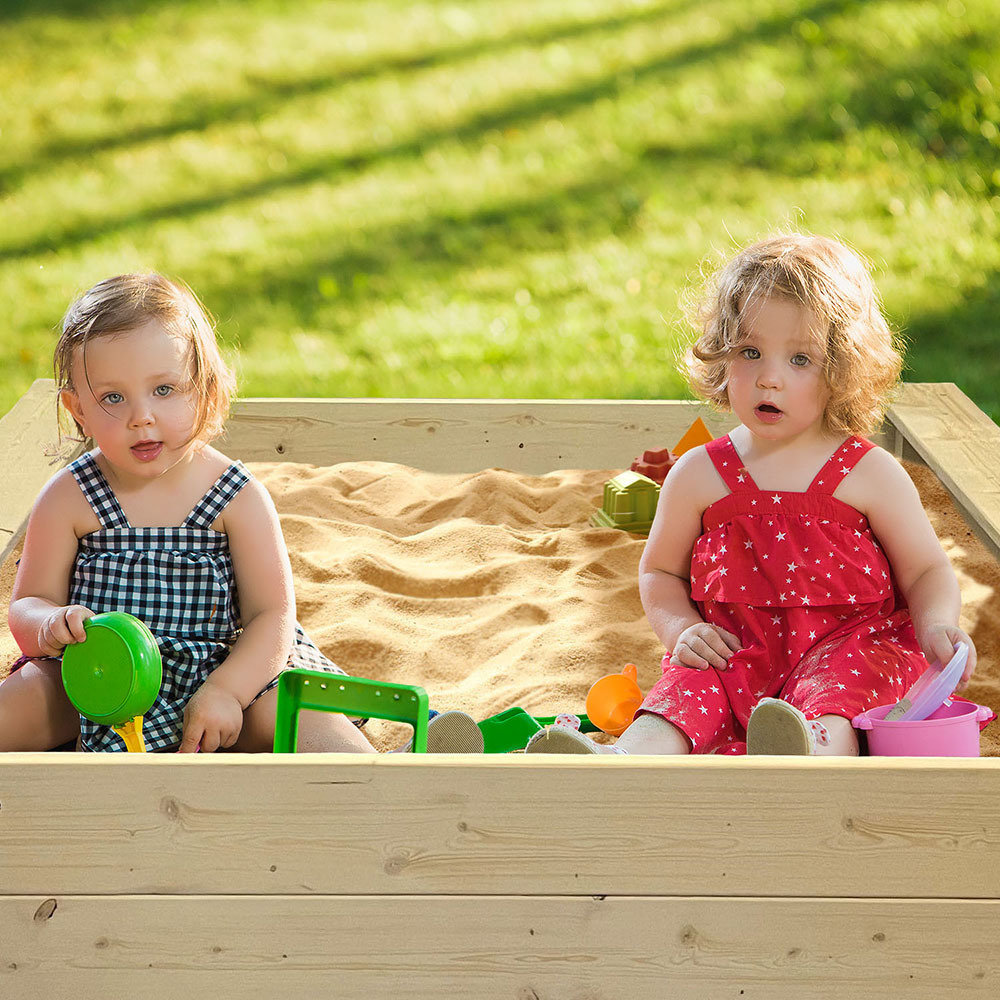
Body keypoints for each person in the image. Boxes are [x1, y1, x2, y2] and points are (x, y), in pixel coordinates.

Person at [527, 232, 983, 756]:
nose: (769, 379)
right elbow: (659, 572)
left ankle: (808, 752)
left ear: (841, 369)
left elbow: (925, 569)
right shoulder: (700, 475)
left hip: (846, 649)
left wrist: (937, 624)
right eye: (750, 352)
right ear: (722, 356)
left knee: (840, 692)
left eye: (800, 360)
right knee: (682, 694)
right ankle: (623, 761)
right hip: (734, 654)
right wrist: (681, 631)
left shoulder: (870, 474)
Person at [1, 273, 378, 753]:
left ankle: (385, 784)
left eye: (164, 390)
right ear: (79, 410)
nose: (142, 417)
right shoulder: (69, 496)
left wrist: (227, 691)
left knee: (301, 717)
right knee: (23, 702)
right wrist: (49, 624)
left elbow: (271, 615)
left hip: (224, 673)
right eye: (113, 398)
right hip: (100, 681)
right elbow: (28, 602)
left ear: (205, 387)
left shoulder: (236, 496)